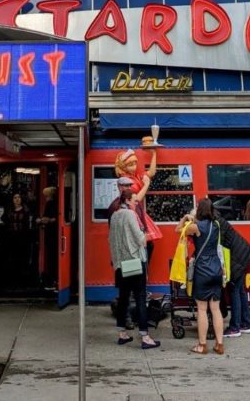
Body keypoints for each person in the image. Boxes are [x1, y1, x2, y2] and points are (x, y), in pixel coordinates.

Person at [108, 189, 160, 350]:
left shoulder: (115, 215)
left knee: (123, 298)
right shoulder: (130, 215)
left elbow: (111, 240)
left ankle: (122, 333)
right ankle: (145, 337)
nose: (137, 203)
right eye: (135, 200)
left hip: (120, 264)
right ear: (128, 200)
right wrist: (145, 233)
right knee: (140, 297)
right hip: (135, 262)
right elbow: (141, 240)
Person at [176, 198, 224, 355]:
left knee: (202, 309)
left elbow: (178, 230)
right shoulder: (216, 225)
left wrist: (185, 218)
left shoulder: (195, 227)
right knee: (215, 309)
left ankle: (202, 345)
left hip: (202, 270)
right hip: (216, 268)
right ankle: (219, 344)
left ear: (200, 210)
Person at [114, 148, 162, 265]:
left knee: (147, 244)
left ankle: (143, 270)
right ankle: (141, 270)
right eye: (130, 165)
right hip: (133, 213)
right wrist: (146, 184)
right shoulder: (124, 180)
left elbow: (151, 173)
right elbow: (137, 198)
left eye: (135, 163)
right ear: (124, 166)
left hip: (138, 212)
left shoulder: (135, 176)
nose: (134, 167)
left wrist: (154, 154)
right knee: (142, 244)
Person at [218, 216, 250, 338]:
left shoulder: (216, 224)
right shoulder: (219, 219)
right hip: (242, 254)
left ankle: (235, 327)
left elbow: (218, 246)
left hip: (236, 259)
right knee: (240, 291)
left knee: (234, 291)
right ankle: (245, 324)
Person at [2, 192, 32, 285]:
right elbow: (3, 219)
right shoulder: (9, 209)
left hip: (22, 237)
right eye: (15, 197)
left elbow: (29, 222)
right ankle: (12, 279)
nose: (17, 199)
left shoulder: (26, 210)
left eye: (19, 197)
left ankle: (22, 280)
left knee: (22, 258)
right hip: (11, 237)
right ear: (12, 199)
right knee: (12, 258)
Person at [37, 186, 58, 288]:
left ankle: (52, 280)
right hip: (53, 234)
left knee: (51, 257)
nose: (45, 198)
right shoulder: (56, 204)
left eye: (46, 196)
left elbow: (50, 219)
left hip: (51, 234)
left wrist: (40, 220)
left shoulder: (50, 204)